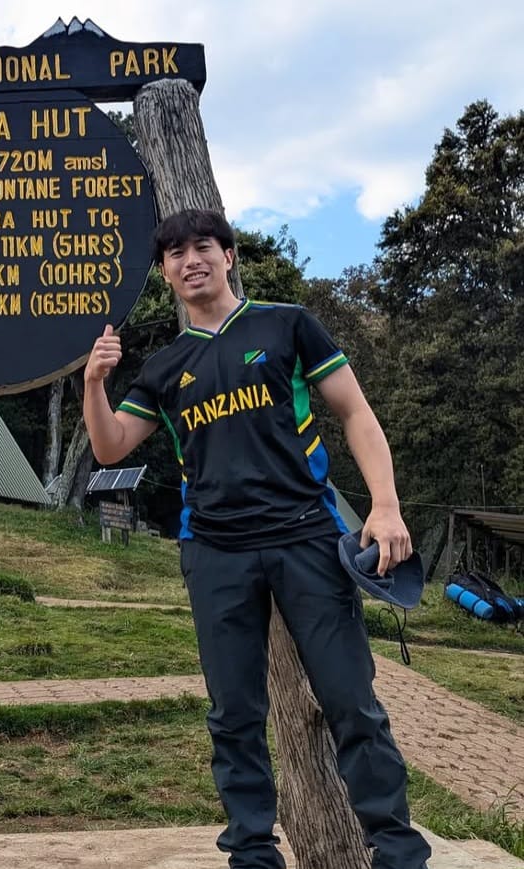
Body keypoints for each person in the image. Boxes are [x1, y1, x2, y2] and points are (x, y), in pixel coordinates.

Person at [82, 209, 430, 869]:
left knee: (351, 700)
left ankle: (398, 849)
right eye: (176, 253)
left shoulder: (287, 324)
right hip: (214, 549)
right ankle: (252, 851)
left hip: (307, 537)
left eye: (203, 247)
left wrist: (384, 507)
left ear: (229, 255)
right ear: (164, 271)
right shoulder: (166, 366)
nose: (191, 261)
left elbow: (355, 411)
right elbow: (109, 446)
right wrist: (95, 382)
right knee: (234, 714)